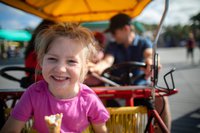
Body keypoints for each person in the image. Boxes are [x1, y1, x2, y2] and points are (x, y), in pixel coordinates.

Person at [1, 23, 109, 133]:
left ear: (84, 68)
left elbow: (101, 130)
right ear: (42, 61)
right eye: (52, 59)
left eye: (71, 61)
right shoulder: (33, 93)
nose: (60, 69)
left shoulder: (89, 98)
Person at [89, 13, 171, 132]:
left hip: (139, 88)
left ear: (125, 29)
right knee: (96, 98)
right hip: (117, 89)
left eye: (114, 32)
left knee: (161, 99)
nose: (112, 36)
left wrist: (151, 61)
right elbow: (107, 61)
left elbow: (150, 55)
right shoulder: (113, 46)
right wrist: (97, 68)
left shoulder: (144, 42)